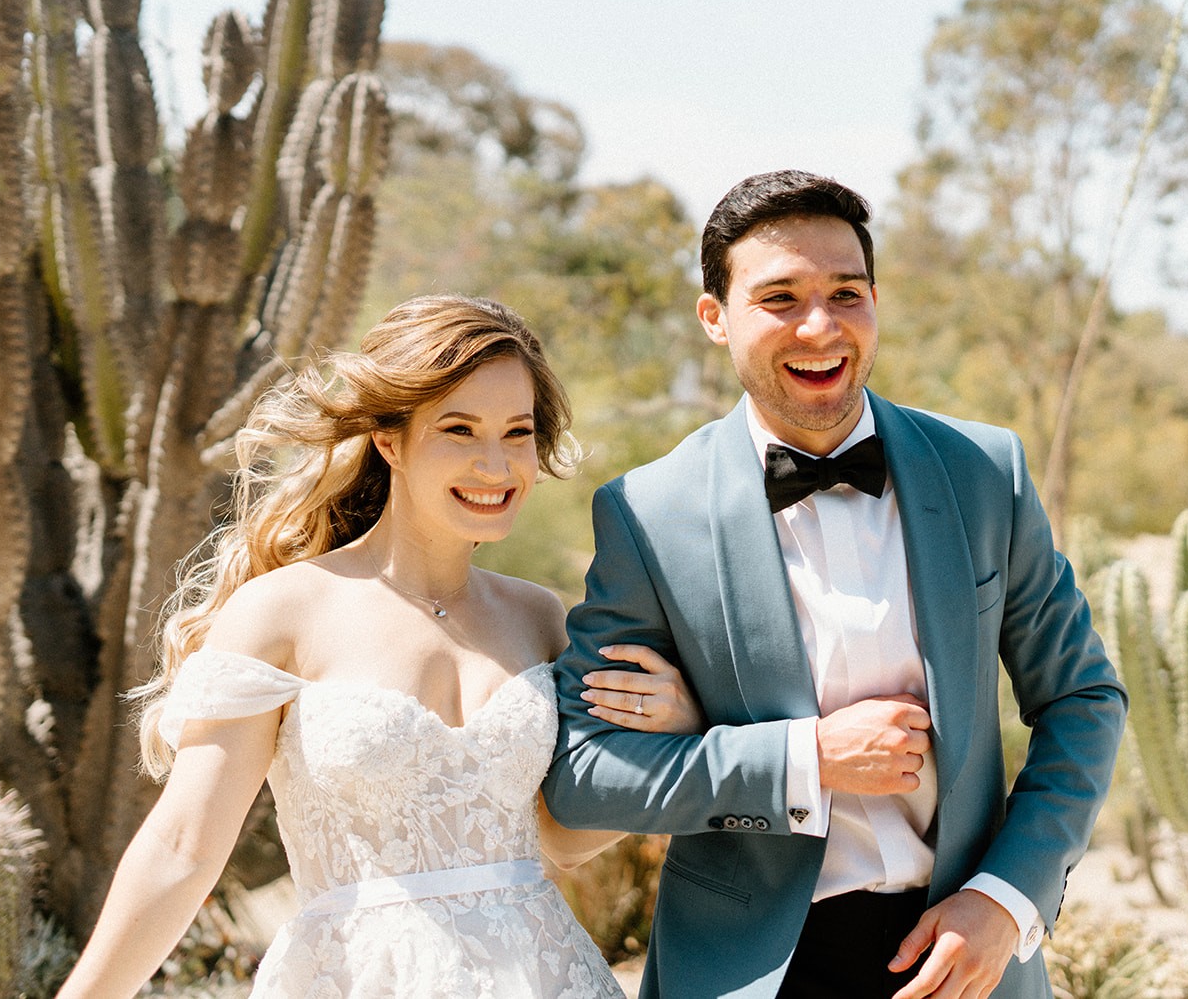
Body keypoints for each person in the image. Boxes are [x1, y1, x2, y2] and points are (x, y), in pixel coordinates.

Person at [544, 170, 1128, 999]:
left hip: (969, 960)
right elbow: (585, 773)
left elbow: (1084, 699)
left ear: (876, 302)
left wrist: (1006, 898)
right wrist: (803, 757)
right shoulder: (648, 513)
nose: (820, 326)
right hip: (749, 971)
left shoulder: (985, 473)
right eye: (779, 297)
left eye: (846, 293)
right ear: (715, 318)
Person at [58, 295, 699, 999]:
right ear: (389, 440)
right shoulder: (285, 611)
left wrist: (672, 739)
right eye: (460, 429)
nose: (497, 464)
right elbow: (184, 845)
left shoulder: (538, 614)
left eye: (517, 433)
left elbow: (559, 838)